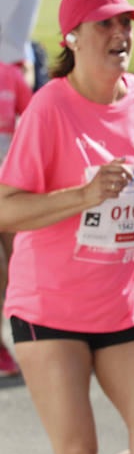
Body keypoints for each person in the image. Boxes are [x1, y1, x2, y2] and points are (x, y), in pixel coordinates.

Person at [0, 0, 134, 454]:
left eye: (126, 23)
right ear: (71, 37)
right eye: (106, 23)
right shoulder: (50, 107)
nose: (121, 32)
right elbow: (6, 209)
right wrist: (84, 196)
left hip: (125, 304)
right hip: (51, 308)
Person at [0, 60, 32, 376]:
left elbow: (36, 115)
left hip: (8, 183)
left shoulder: (9, 73)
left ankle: (26, 338)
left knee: (17, 264)